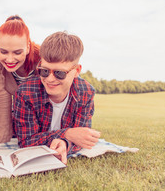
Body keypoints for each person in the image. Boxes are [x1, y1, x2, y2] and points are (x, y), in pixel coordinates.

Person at [13, 31, 101, 164]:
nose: (50, 79)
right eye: (44, 71)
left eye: (59, 73)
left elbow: (81, 137)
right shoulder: (26, 93)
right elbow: (26, 140)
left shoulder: (86, 93)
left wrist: (65, 143)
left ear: (76, 71)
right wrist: (67, 134)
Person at [0, 15, 40, 143]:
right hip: (17, 108)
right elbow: (2, 95)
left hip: (39, 110)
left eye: (17, 52)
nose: (10, 59)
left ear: (28, 47)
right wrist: (2, 141)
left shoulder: (41, 57)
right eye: (4, 52)